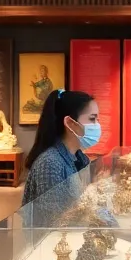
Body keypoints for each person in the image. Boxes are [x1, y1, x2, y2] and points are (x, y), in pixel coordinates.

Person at [22, 89, 100, 227]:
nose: (97, 126)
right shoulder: (50, 163)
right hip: (55, 238)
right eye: (92, 119)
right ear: (70, 123)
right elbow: (55, 219)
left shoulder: (80, 158)